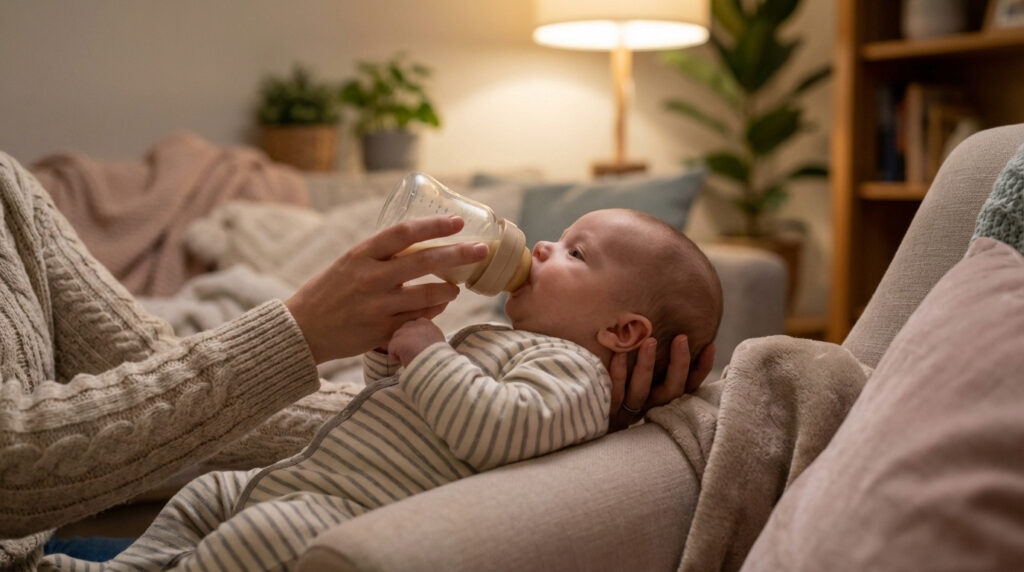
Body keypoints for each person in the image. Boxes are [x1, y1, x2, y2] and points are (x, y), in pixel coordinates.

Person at [0, 153, 707, 568]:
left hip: (337, 506)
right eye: (558, 239)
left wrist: (424, 356)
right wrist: (386, 356)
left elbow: (498, 429)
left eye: (576, 254)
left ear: (621, 332)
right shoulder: (502, 342)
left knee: (258, 534)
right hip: (310, 473)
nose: (545, 247)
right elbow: (403, 405)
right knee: (205, 497)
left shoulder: (574, 375)